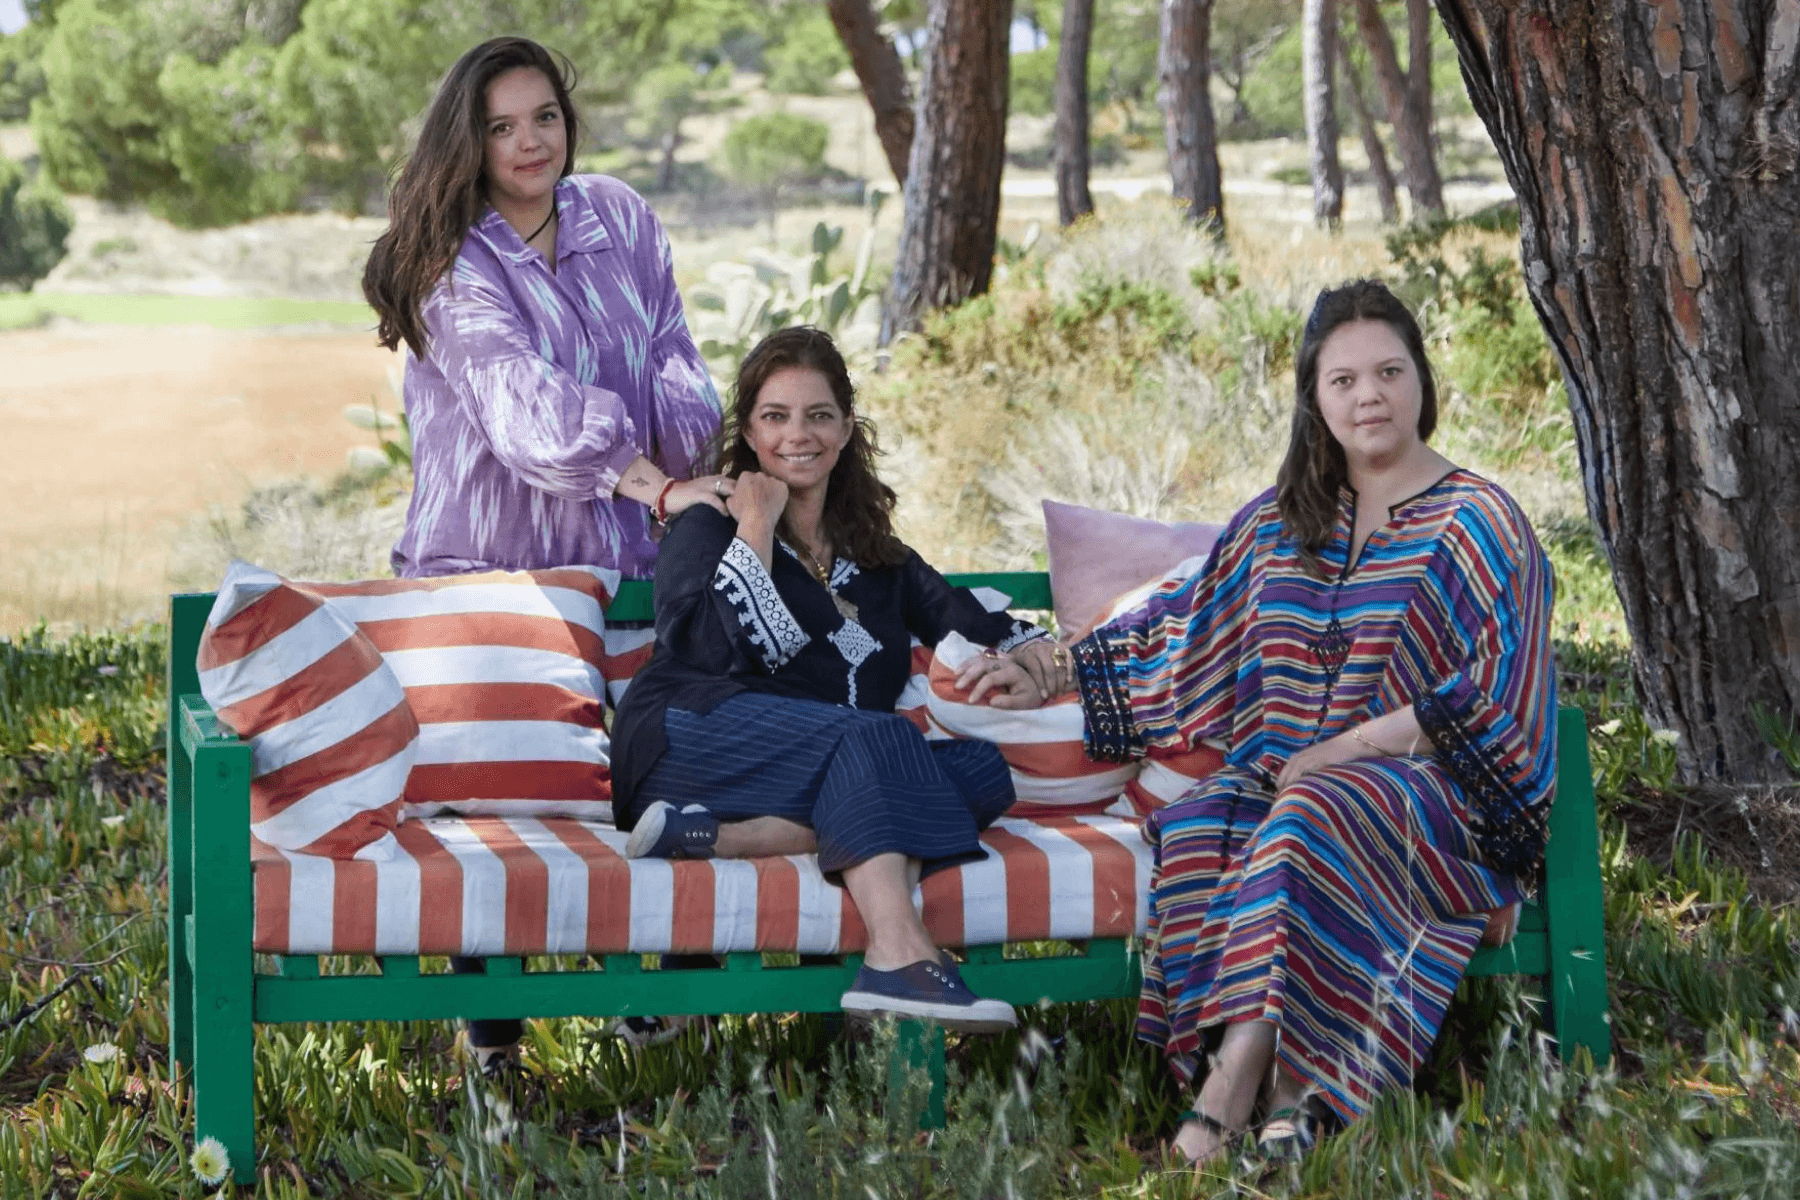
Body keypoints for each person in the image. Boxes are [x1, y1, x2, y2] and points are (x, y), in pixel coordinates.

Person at [970, 279, 1557, 1160]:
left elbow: (1498, 695)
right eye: (1344, 379)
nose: (1370, 396)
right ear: (1314, 398)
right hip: (1283, 786)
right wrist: (1044, 660)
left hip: (1433, 796)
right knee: (1213, 818)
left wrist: (1342, 754)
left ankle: (1230, 1082)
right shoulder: (1283, 524)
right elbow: (1179, 629)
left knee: (1312, 813)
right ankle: (1295, 1097)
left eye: (1390, 372)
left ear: (1422, 382)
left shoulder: (1481, 523)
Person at [360, 36, 733, 1069]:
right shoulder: (448, 259)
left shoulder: (619, 214)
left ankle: (661, 1017)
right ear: (467, 144)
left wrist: (664, 440)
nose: (530, 142)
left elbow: (679, 357)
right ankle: (494, 1043)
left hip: (629, 569)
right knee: (496, 807)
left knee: (665, 778)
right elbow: (523, 410)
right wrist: (654, 473)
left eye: (545, 117)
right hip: (493, 584)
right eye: (501, 125)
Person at [609, 326, 1073, 1031]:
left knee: (981, 770)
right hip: (688, 737)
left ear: (847, 427)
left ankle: (724, 839)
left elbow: (981, 624)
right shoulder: (707, 523)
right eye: (776, 416)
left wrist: (1040, 662)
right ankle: (899, 956)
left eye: (819, 415)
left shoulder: (880, 560)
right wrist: (756, 527)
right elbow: (709, 648)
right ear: (752, 433)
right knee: (883, 741)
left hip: (822, 767)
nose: (799, 434)